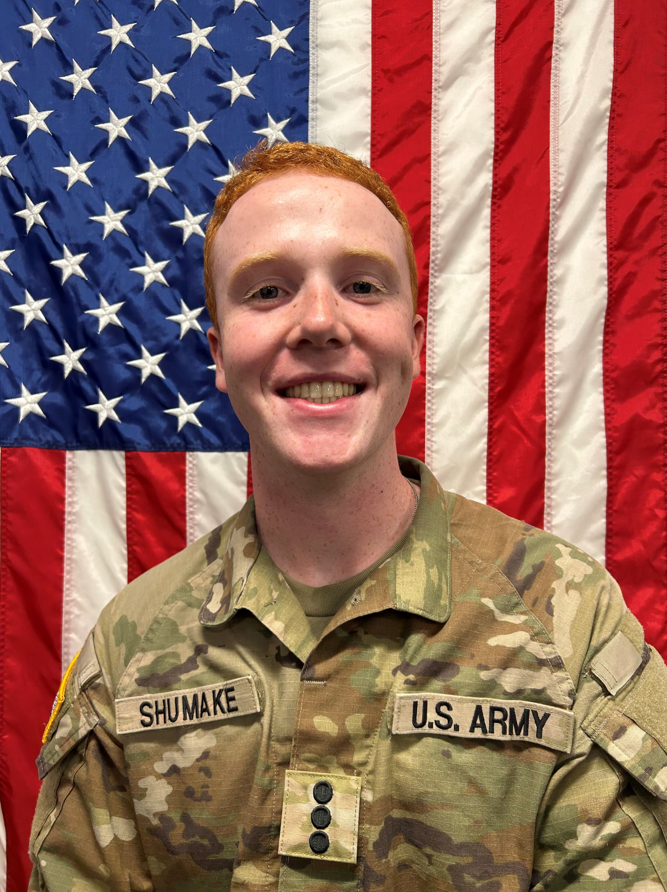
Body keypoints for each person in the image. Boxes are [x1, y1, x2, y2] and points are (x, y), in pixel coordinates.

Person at [29, 141, 667, 892]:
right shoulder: (131, 644)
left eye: (363, 286)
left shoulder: (568, 622)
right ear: (219, 355)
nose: (319, 322)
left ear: (415, 342)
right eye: (266, 293)